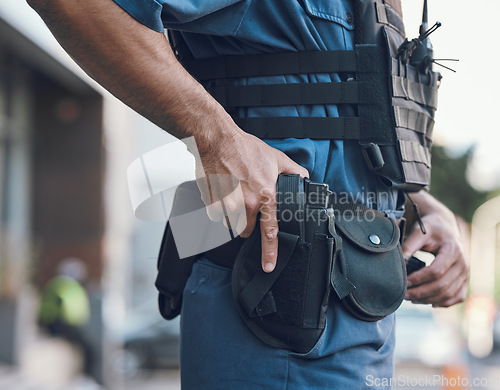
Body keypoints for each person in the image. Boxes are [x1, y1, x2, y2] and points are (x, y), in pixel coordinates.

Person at [27, 0, 469, 388]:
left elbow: (340, 121)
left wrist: (415, 203)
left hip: (352, 314)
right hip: (279, 308)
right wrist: (215, 137)